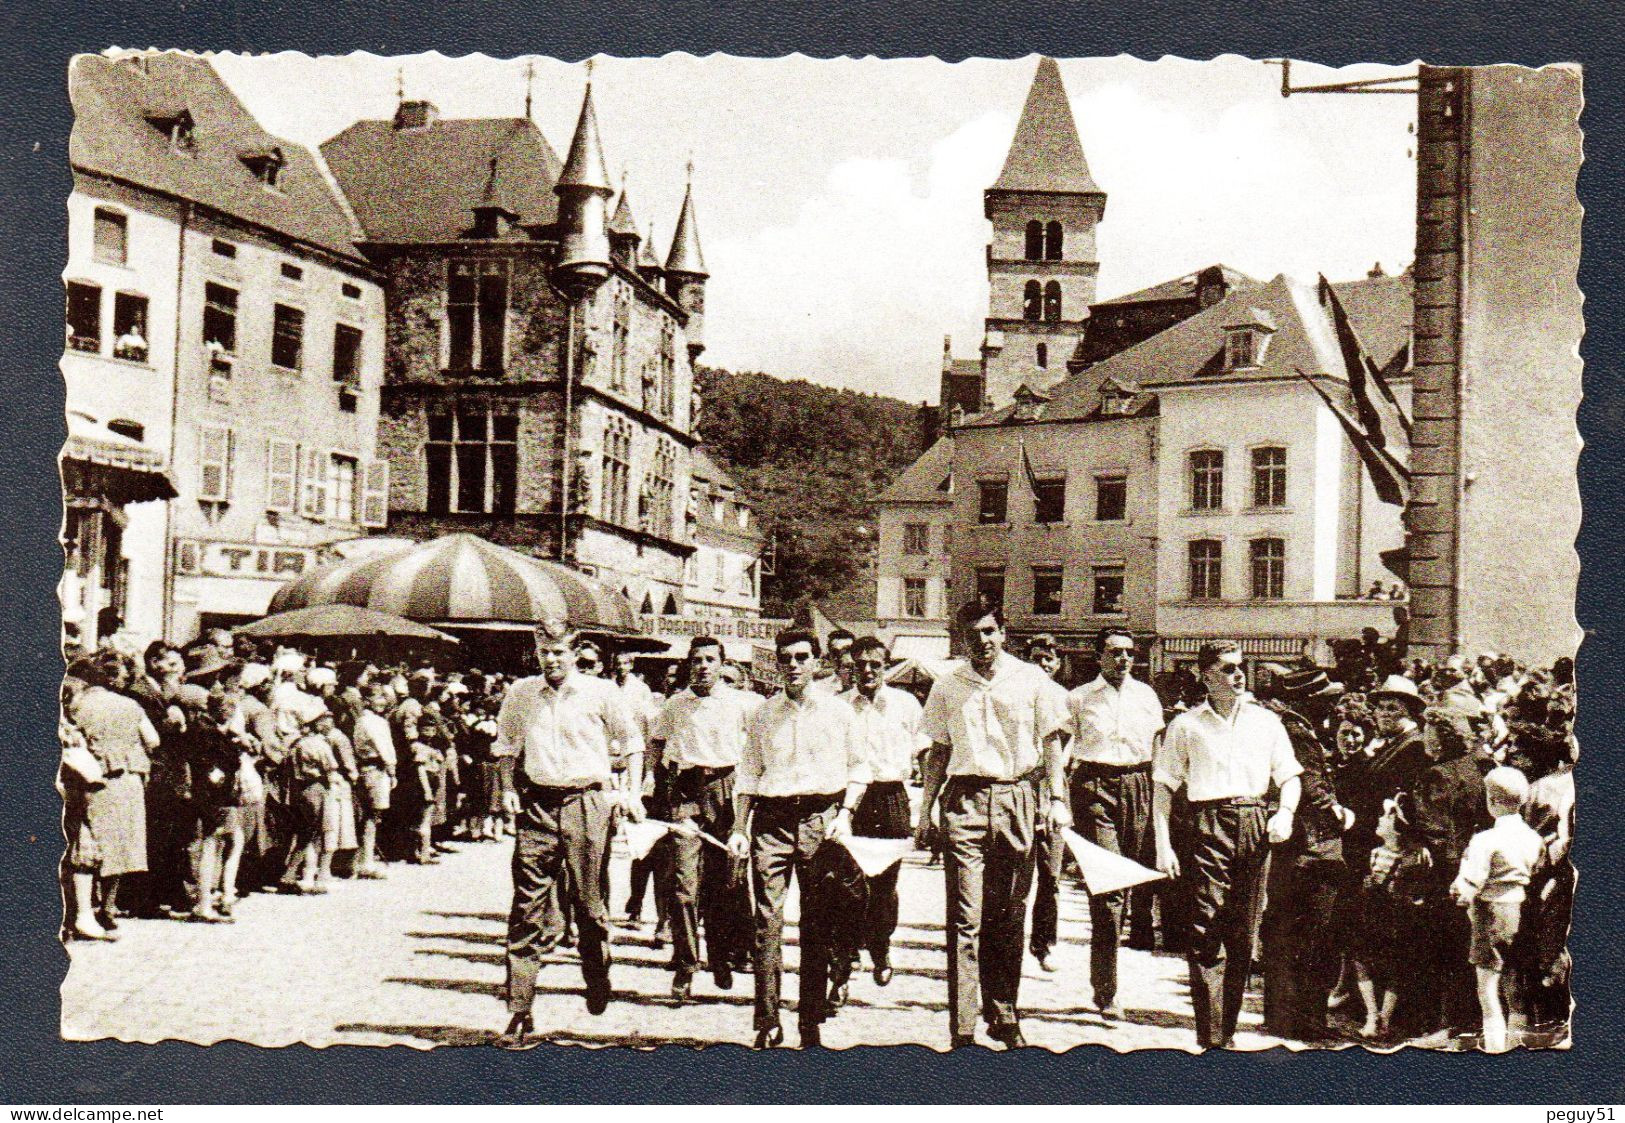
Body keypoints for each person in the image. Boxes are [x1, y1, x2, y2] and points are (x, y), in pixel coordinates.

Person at [914, 600, 1069, 1049]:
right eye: (972, 634)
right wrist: (925, 811)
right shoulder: (947, 685)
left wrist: (1055, 798)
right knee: (966, 917)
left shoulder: (1031, 679)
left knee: (1008, 915)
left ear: (1002, 632)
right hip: (963, 800)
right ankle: (963, 1028)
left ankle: (1003, 1014)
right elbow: (938, 751)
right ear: (961, 639)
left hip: (1017, 797)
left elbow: (1051, 742)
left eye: (988, 631)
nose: (981, 642)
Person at [494, 618, 644, 1049]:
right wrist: (507, 789)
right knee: (527, 906)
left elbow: (631, 741)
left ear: (575, 652)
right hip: (538, 805)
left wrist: (630, 791)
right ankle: (520, 1011)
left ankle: (596, 973)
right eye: (544, 651)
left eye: (559, 651)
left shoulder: (601, 693)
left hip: (587, 802)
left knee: (588, 903)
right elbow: (506, 746)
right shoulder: (522, 693)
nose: (551, 659)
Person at [1152, 641, 1302, 1049]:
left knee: (1244, 931)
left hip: (1255, 823)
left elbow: (1289, 775)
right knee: (1206, 927)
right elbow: (1163, 788)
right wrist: (1163, 845)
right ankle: (1212, 1036)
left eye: (1241, 668)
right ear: (1206, 676)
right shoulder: (1185, 725)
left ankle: (1229, 1030)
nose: (1239, 675)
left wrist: (1284, 812)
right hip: (1207, 825)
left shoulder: (1267, 722)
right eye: (1228, 668)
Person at [728, 628, 870, 1049]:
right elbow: (749, 774)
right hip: (771, 821)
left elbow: (858, 768)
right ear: (776, 662)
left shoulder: (839, 713)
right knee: (767, 921)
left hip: (819, 818)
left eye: (802, 657)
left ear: (817, 662)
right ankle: (767, 1021)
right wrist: (739, 828)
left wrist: (845, 815)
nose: (793, 665)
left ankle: (810, 1022)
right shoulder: (762, 714)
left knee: (816, 921)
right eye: (785, 657)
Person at [651, 635, 760, 1004]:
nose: (703, 666)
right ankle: (685, 963)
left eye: (710, 660)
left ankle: (722, 955)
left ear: (722, 664)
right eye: (696, 660)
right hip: (686, 791)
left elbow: (758, 749)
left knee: (726, 882)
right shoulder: (674, 704)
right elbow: (658, 744)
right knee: (683, 883)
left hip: (728, 790)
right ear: (688, 664)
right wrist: (659, 785)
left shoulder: (744, 705)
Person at [1065, 626, 1166, 1015]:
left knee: (1136, 884)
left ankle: (1132, 947)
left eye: (1128, 652)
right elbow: (1059, 748)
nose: (1123, 659)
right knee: (1109, 892)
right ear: (1099, 657)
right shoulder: (1079, 698)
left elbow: (1157, 750)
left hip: (1139, 784)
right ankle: (1106, 990)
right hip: (1094, 786)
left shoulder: (1147, 696)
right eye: (1114, 652)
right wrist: (1056, 797)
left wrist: (1159, 797)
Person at [1259, 668, 1353, 1042]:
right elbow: (1310, 783)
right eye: (1328, 700)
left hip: (1294, 847)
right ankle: (1306, 1020)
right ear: (1313, 703)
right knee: (1313, 935)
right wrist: (1340, 814)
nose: (1333, 706)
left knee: (1284, 932)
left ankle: (1281, 1015)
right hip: (1313, 848)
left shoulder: (1287, 727)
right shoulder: (1299, 733)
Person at [832, 635, 927, 994]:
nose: (868, 671)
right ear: (850, 667)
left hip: (891, 800)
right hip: (849, 801)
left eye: (875, 664)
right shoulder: (838, 705)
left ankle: (881, 948)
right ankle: (843, 963)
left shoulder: (906, 705)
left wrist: (927, 806)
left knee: (884, 887)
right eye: (860, 665)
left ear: (886, 666)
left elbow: (925, 754)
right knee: (847, 885)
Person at [1409, 697, 1492, 1042]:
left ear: (1440, 737)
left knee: (1442, 950)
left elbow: (1435, 832)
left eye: (1429, 733)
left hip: (1446, 875)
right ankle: (1466, 1022)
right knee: (1467, 949)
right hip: (1478, 870)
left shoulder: (1438, 775)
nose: (1426, 739)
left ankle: (1445, 1024)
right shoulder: (1479, 768)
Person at [1449, 766, 1544, 1053]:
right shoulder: (1533, 838)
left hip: (1490, 912)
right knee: (1515, 984)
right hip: (1522, 910)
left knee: (1487, 987)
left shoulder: (1485, 840)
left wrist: (1459, 892)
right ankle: (1518, 1046)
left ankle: (1493, 1048)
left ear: (1492, 800)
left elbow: (1472, 883)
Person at [68, 650, 159, 933]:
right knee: (120, 843)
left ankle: (84, 909)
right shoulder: (130, 704)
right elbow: (153, 741)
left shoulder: (77, 707)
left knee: (89, 841)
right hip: (129, 777)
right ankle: (108, 908)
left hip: (92, 777)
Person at [1022, 634, 1073, 975]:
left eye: (1049, 659)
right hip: (1021, 787)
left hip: (1053, 787)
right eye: (1037, 658)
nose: (1043, 664)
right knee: (1014, 871)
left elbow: (1068, 744)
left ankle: (1044, 942)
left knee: (1050, 874)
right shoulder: (1017, 694)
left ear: (1057, 665)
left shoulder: (1067, 701)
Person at [350, 682, 397, 878]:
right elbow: (383, 748)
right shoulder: (373, 722)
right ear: (368, 700)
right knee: (370, 817)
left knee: (370, 817)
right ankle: (365, 862)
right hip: (374, 769)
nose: (383, 701)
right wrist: (392, 770)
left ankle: (363, 860)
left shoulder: (366, 720)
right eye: (378, 697)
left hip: (370, 768)